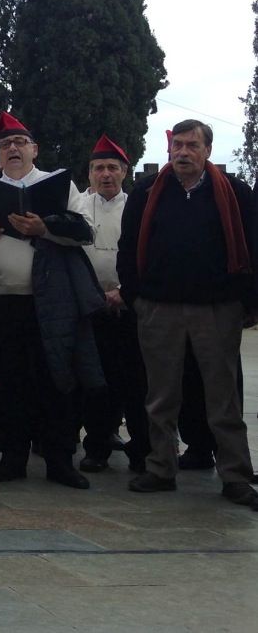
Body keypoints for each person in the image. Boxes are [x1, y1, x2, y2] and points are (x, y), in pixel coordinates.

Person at [117, 120, 258, 506]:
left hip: (217, 309)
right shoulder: (147, 192)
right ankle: (160, 468)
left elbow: (252, 245)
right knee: (161, 396)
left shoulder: (235, 193)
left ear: (208, 151)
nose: (182, 152)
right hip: (159, 308)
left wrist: (249, 302)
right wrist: (136, 297)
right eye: (177, 145)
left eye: (191, 145)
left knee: (223, 398)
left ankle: (236, 477)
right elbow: (128, 247)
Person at [0, 111, 98, 490]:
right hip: (1, 301)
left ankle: (60, 459)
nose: (13, 148)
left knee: (55, 379)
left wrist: (45, 227)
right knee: (10, 382)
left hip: (49, 301)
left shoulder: (59, 185)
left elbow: (84, 231)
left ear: (34, 149)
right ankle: (11, 457)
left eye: (20, 143)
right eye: (6, 144)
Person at [77, 134, 149, 475]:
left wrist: (123, 291)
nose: (105, 174)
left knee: (134, 382)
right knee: (94, 382)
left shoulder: (138, 208)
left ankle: (142, 450)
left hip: (127, 306)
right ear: (89, 174)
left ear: (124, 172)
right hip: (89, 307)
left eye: (112, 168)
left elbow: (144, 256)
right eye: (98, 168)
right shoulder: (76, 207)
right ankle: (97, 447)